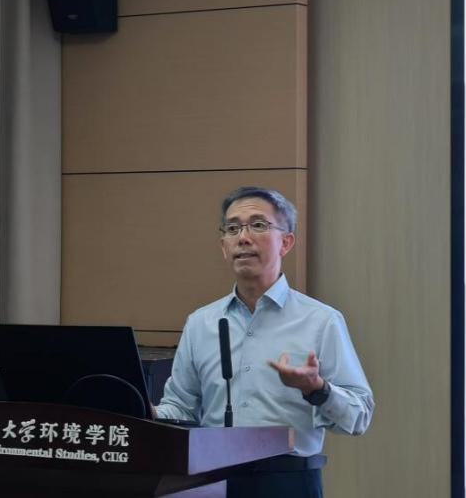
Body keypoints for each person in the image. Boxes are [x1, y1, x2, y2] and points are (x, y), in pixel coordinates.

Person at [154, 186, 373, 498]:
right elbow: (180, 407)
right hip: (207, 480)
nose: (243, 237)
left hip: (286, 481)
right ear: (223, 246)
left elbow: (359, 416)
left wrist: (317, 389)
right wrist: (143, 411)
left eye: (258, 225)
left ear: (286, 242)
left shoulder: (321, 320)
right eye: (233, 229)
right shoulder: (201, 322)